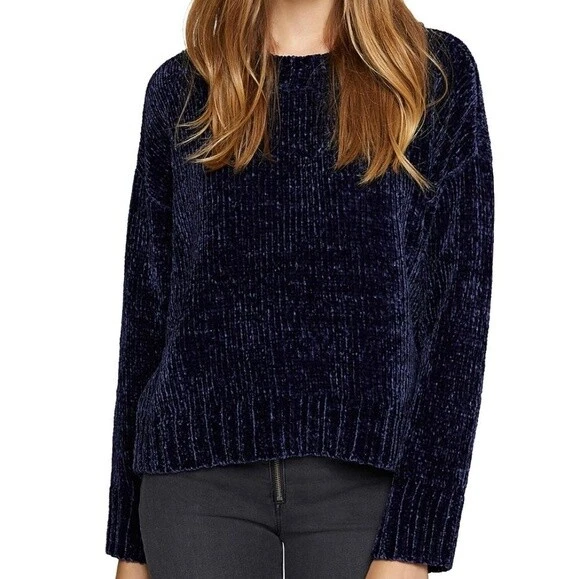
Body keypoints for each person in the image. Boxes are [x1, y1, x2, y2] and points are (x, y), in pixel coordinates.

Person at [105, 0, 494, 577]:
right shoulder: (183, 88)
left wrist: (415, 541)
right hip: (192, 488)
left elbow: (459, 320)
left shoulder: (429, 74)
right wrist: (130, 545)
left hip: (368, 489)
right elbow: (145, 318)